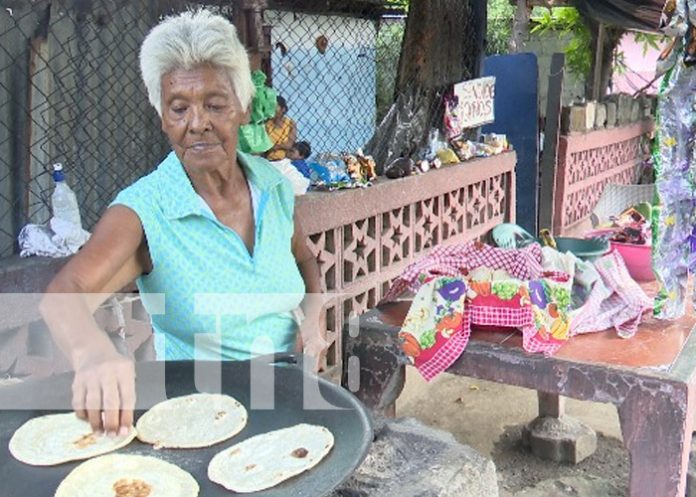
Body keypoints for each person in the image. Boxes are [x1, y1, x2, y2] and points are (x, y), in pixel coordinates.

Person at [40, 10, 327, 436]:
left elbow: (305, 261)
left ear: (243, 110)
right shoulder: (146, 210)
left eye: (215, 104)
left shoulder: (272, 185)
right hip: (198, 421)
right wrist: (92, 353)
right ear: (162, 118)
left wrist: (315, 315)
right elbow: (65, 295)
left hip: (290, 399)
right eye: (179, 108)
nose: (197, 124)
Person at [265, 96, 296, 161]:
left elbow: (289, 144)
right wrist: (281, 146)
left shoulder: (290, 124)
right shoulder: (267, 123)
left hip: (282, 160)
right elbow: (265, 146)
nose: (272, 109)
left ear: (283, 109)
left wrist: (275, 147)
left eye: (275, 106)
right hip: (266, 157)